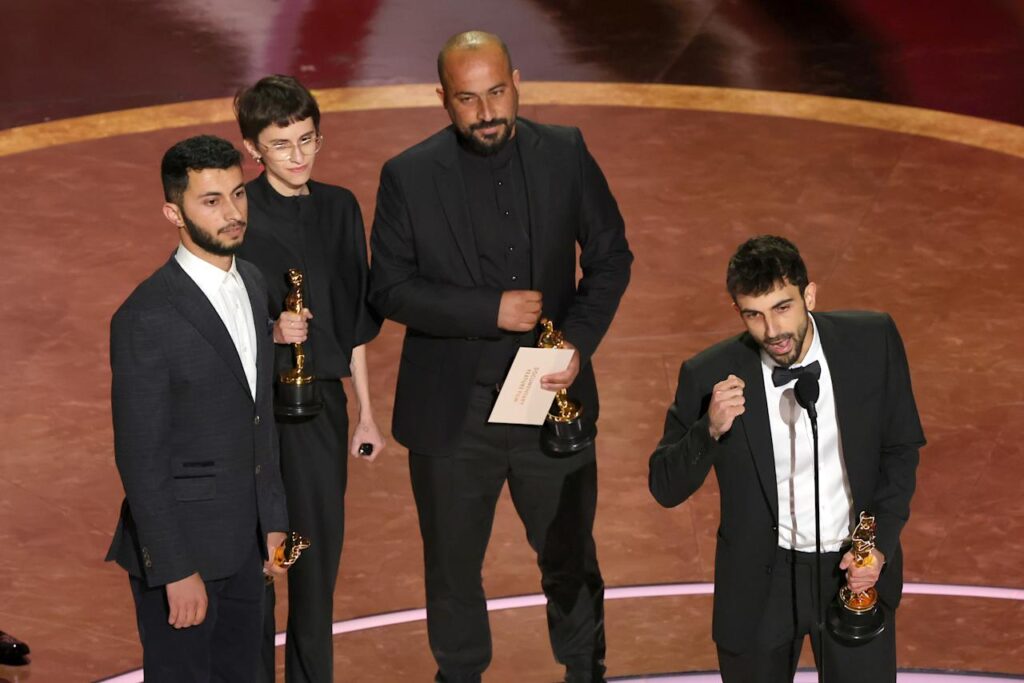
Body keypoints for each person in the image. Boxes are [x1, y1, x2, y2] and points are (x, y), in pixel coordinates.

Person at [369, 30, 632, 683]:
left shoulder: (565, 153)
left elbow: (610, 257)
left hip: (552, 403)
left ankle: (584, 672)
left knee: (570, 557)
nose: (486, 112)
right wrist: (489, 309)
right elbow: (389, 288)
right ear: (442, 100)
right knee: (453, 571)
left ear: (517, 83)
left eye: (496, 92)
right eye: (468, 99)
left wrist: (575, 341)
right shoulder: (407, 175)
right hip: (455, 422)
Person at [648, 235, 924, 682]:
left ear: (809, 295)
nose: (772, 331)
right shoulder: (709, 374)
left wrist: (878, 547)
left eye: (782, 308)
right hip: (761, 582)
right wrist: (710, 429)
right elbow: (664, 485)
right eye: (754, 315)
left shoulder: (872, 342)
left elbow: (900, 449)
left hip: (850, 569)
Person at [106, 135, 290, 682]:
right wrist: (175, 570)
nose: (233, 214)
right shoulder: (145, 317)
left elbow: (261, 419)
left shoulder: (254, 283)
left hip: (247, 547)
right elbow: (140, 457)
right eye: (211, 201)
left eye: (238, 194)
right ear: (173, 212)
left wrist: (274, 522)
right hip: (184, 558)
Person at [233, 74, 385, 683]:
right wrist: (270, 333)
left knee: (315, 561)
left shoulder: (341, 207)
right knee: (260, 560)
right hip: (252, 412)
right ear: (253, 149)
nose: (298, 157)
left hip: (320, 408)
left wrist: (366, 413)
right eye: (281, 144)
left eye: (308, 140)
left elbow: (353, 323)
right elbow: (218, 322)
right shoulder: (237, 212)